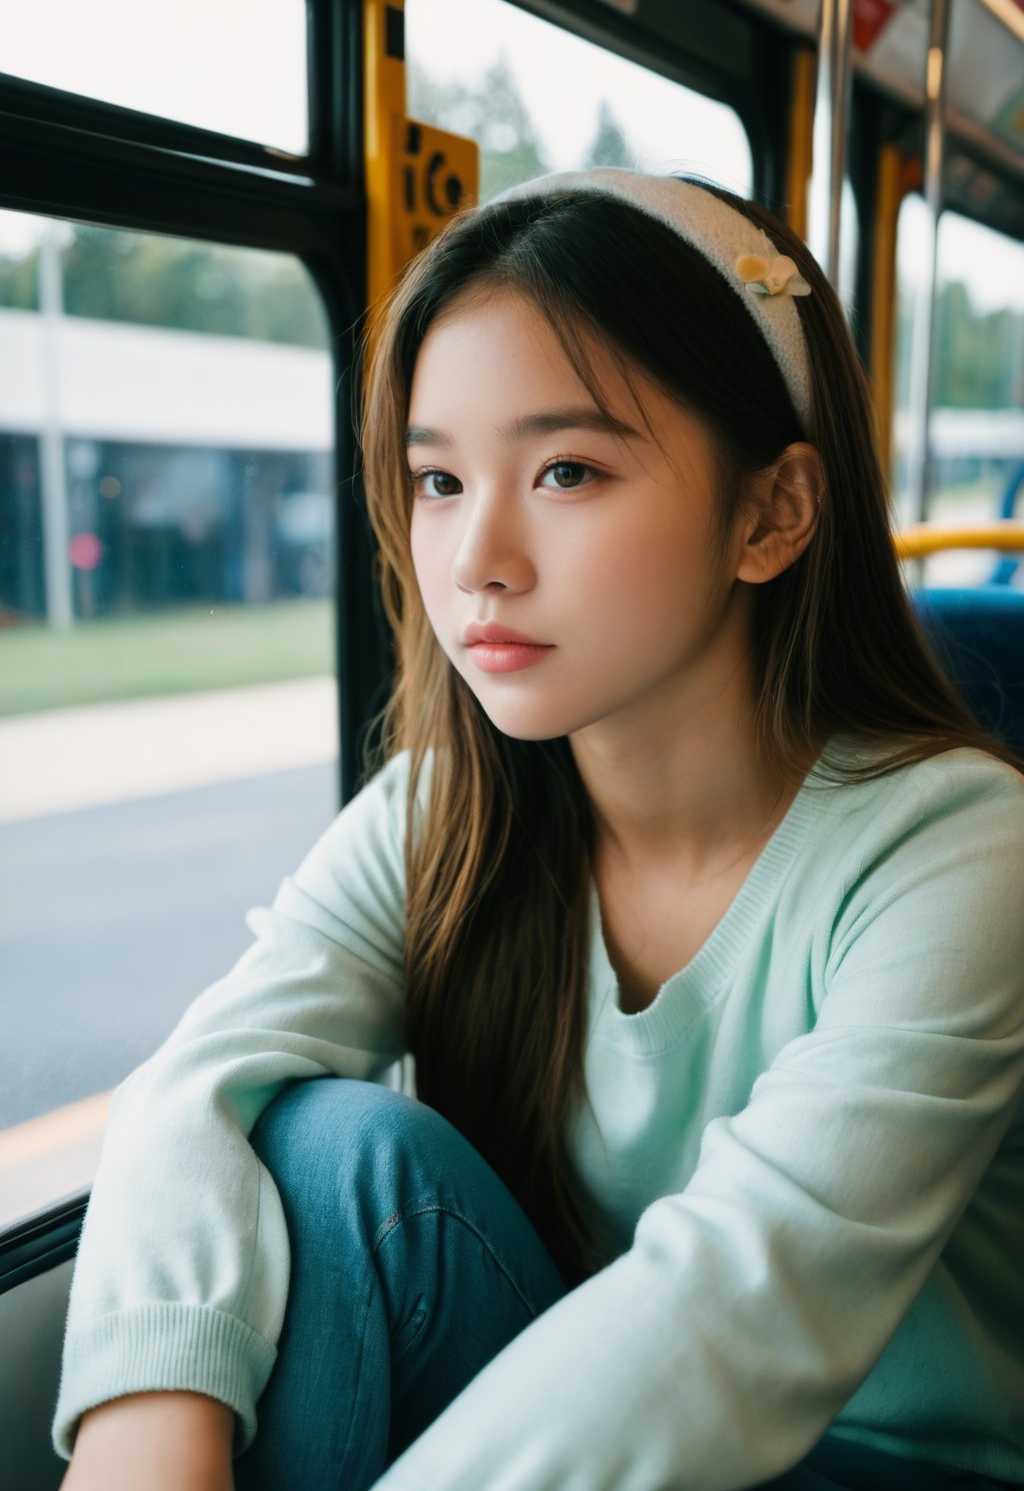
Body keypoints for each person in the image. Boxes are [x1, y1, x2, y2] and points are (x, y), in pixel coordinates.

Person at [55, 168, 1024, 1491]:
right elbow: (196, 1087)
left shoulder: (960, 849)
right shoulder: (442, 815)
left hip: (876, 1461)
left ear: (770, 513)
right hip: (583, 1433)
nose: (475, 560)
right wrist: (150, 1424)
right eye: (440, 481)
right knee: (334, 1149)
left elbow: (736, 1309)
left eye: (566, 470)